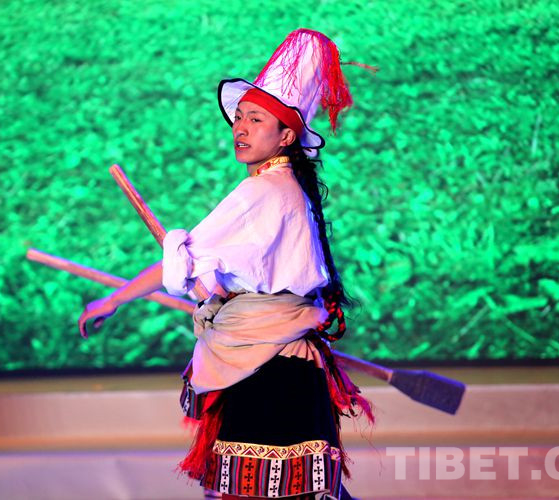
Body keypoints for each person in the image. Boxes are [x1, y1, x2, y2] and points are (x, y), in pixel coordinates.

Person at [78, 29, 371, 500]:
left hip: (268, 372)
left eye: (256, 119)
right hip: (287, 364)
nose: (241, 128)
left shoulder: (262, 192)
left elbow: (187, 259)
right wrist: (224, 297)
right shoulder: (288, 188)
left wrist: (114, 300)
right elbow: (242, 270)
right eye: (238, 118)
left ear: (286, 135)